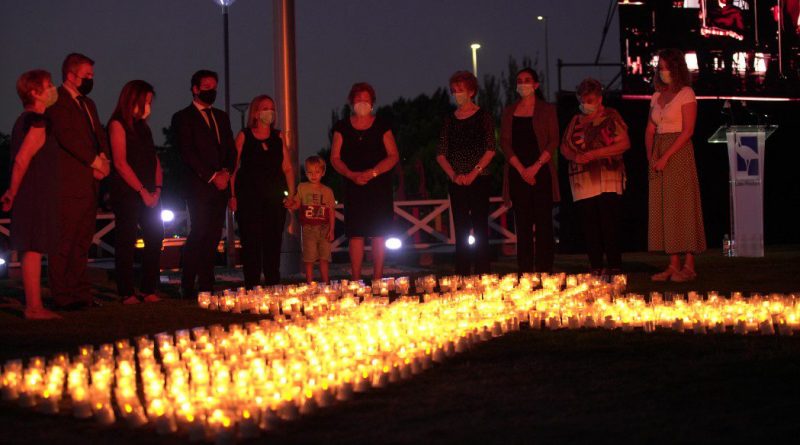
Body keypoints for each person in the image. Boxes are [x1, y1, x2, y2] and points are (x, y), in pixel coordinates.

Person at [46, 53, 111, 310]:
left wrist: (104, 159)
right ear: (71, 75)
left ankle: (80, 293)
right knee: (65, 241)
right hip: (68, 183)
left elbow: (98, 134)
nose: (91, 80)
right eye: (87, 76)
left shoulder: (89, 104)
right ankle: (62, 295)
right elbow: (67, 137)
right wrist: (95, 162)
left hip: (89, 184)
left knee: (83, 241)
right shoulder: (57, 101)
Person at [1, 70, 62, 319]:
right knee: (34, 247)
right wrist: (12, 192)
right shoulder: (37, 121)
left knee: (31, 248)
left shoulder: (22, 120)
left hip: (30, 189)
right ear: (35, 92)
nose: (52, 89)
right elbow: (22, 159)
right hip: (34, 190)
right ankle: (34, 307)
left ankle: (34, 304)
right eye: (48, 85)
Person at [171, 70, 236, 298]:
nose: (212, 90)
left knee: (213, 235)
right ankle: (187, 284)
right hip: (198, 185)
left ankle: (207, 283)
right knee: (199, 232)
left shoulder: (221, 116)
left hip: (221, 185)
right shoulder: (182, 117)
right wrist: (212, 176)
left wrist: (226, 173)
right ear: (195, 88)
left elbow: (230, 148)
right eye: (206, 86)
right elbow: (187, 152)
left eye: (214, 86)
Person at [646, 48, 707, 282]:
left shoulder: (686, 93)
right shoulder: (656, 97)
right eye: (660, 67)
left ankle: (689, 264)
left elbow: (688, 130)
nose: (663, 72)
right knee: (664, 206)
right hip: (659, 149)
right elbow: (650, 128)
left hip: (678, 152)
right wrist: (651, 155)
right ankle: (673, 264)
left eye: (667, 67)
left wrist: (665, 156)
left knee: (682, 204)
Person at [561, 78, 631, 275]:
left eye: (590, 99)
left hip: (607, 177)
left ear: (600, 99)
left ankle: (615, 266)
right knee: (589, 225)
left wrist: (595, 154)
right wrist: (576, 156)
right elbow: (564, 147)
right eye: (583, 100)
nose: (586, 104)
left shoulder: (611, 116)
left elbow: (624, 143)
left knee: (609, 223)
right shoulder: (575, 120)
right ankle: (596, 265)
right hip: (583, 181)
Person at [330, 82, 399, 281]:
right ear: (352, 102)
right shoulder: (341, 127)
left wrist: (374, 172)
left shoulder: (382, 125)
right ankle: (356, 279)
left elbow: (393, 155)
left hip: (378, 186)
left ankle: (378, 278)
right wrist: (351, 175)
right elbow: (335, 158)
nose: (362, 103)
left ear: (372, 103)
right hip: (353, 185)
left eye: (366, 100)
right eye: (358, 99)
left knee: (379, 232)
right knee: (356, 234)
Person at [229, 95, 295, 288]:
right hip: (249, 199)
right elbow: (233, 168)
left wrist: (291, 194)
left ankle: (273, 284)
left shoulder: (278, 136)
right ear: (256, 112)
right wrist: (231, 195)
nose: (270, 112)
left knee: (273, 242)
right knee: (251, 243)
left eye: (272, 108)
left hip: (274, 199)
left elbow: (288, 168)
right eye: (265, 108)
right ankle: (252, 284)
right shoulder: (244, 135)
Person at [108, 80, 164, 304]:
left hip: (150, 191)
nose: (149, 106)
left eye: (151, 102)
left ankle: (149, 288)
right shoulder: (117, 124)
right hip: (128, 192)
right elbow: (121, 163)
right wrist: (142, 191)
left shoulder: (144, 127)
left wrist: (157, 188)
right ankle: (126, 291)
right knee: (127, 239)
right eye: (146, 101)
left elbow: (154, 159)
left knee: (155, 236)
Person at [500, 68, 560, 274]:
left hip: (540, 171)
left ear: (535, 84)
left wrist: (535, 167)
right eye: (519, 80)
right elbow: (505, 142)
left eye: (527, 80)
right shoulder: (509, 111)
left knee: (544, 223)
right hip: (518, 173)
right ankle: (525, 270)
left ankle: (545, 268)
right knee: (522, 225)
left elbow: (553, 140)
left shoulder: (547, 109)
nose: (522, 84)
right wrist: (521, 168)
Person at [437, 71, 496, 276]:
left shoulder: (483, 117)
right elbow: (441, 154)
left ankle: (483, 273)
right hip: (457, 181)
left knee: (480, 226)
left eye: (460, 90)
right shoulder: (449, 120)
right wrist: (454, 175)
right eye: (454, 91)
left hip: (480, 179)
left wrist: (474, 173)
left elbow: (490, 149)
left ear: (471, 91)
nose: (456, 94)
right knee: (461, 229)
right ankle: (462, 275)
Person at [290, 156, 336, 283]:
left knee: (324, 258)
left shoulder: (327, 191)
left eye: (317, 172)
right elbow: (297, 204)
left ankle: (325, 283)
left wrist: (332, 229)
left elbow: (331, 211)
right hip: (308, 228)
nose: (313, 175)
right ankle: (310, 284)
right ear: (306, 173)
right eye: (310, 172)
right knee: (309, 259)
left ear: (323, 172)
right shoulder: (302, 188)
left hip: (324, 228)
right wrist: (291, 204)